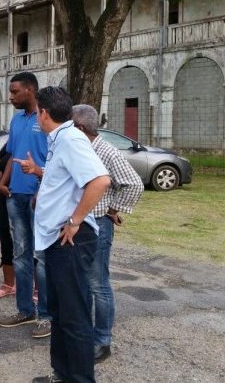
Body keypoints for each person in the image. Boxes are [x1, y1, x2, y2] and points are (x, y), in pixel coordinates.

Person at [32, 87, 110, 383]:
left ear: (44, 113)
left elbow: (100, 180)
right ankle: (62, 374)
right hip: (56, 240)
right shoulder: (59, 139)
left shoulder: (72, 139)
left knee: (75, 316)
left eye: (37, 111)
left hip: (71, 242)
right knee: (61, 314)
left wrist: (75, 220)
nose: (36, 116)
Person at [72, 104, 144, 364]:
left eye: (71, 125)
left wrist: (113, 208)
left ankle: (102, 341)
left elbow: (134, 184)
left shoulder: (106, 151)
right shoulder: (82, 148)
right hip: (82, 224)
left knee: (97, 283)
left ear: (80, 128)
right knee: (83, 282)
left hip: (99, 225)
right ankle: (85, 333)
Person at [0, 72, 51, 339]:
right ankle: (25, 310)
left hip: (39, 197)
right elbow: (12, 156)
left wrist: (41, 185)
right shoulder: (17, 119)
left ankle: (46, 316)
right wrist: (3, 183)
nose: (11, 97)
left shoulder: (47, 117)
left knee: (41, 257)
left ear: (30, 90)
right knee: (20, 254)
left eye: (15, 92)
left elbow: (56, 160)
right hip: (15, 195)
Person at [0, 144, 15, 298]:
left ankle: (35, 287)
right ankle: (8, 284)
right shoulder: (10, 144)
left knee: (30, 243)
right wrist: (1, 177)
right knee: (6, 240)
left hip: (26, 197)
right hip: (4, 197)